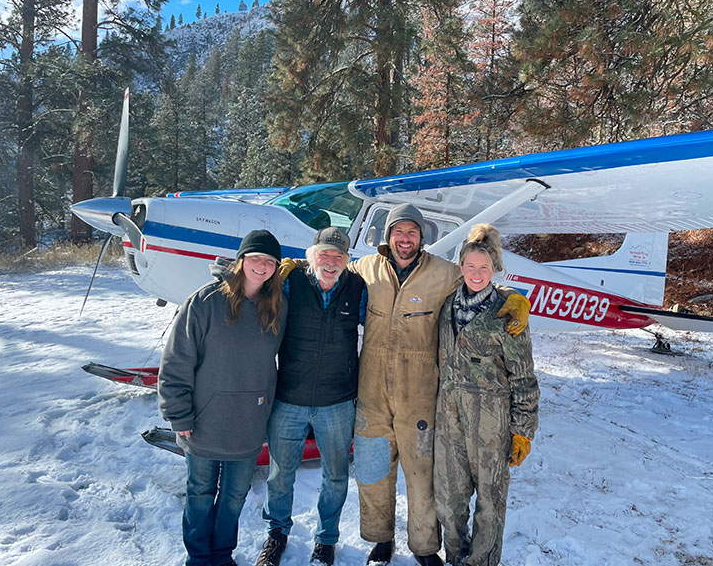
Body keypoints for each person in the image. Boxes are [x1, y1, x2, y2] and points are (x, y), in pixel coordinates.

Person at [347, 203, 531, 566]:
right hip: (371, 396)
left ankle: (424, 547)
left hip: (419, 396)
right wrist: (294, 270)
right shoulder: (366, 269)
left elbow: (480, 279)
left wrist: (515, 298)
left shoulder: (443, 272)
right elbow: (330, 270)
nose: (405, 238)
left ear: (422, 237)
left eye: (412, 232)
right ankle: (381, 540)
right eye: (398, 231)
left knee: (422, 479)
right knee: (372, 474)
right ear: (388, 237)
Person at [158, 229, 288, 566]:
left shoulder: (277, 307)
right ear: (241, 260)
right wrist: (179, 414)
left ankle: (221, 555)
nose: (262, 266)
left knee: (234, 497)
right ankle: (199, 558)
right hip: (204, 423)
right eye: (256, 258)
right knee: (201, 494)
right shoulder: (204, 302)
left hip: (248, 424)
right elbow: (176, 361)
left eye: (270, 261)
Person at [257, 227, 366, 566]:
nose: (330, 262)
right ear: (311, 255)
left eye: (338, 256)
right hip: (289, 398)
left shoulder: (358, 289)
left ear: (347, 262)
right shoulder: (290, 282)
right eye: (324, 254)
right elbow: (247, 287)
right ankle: (277, 534)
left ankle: (326, 540)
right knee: (280, 474)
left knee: (335, 475)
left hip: (337, 402)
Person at [433, 223, 539, 566]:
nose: (476, 274)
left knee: (490, 503)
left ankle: (481, 562)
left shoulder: (507, 312)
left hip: (491, 424)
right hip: (449, 421)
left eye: (484, 268)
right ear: (460, 267)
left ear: (494, 270)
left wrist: (523, 430)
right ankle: (455, 555)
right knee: (449, 501)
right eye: (470, 266)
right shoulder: (447, 304)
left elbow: (523, 377)